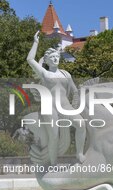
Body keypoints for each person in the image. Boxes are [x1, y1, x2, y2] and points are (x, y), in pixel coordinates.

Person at [27, 31, 86, 164]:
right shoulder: (45, 74)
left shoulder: (66, 74)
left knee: (81, 125)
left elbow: (75, 92)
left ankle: (79, 154)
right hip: (50, 108)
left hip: (66, 106)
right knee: (54, 136)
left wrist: (75, 107)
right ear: (47, 61)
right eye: (52, 57)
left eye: (56, 56)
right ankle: (53, 164)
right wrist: (35, 42)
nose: (55, 59)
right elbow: (30, 60)